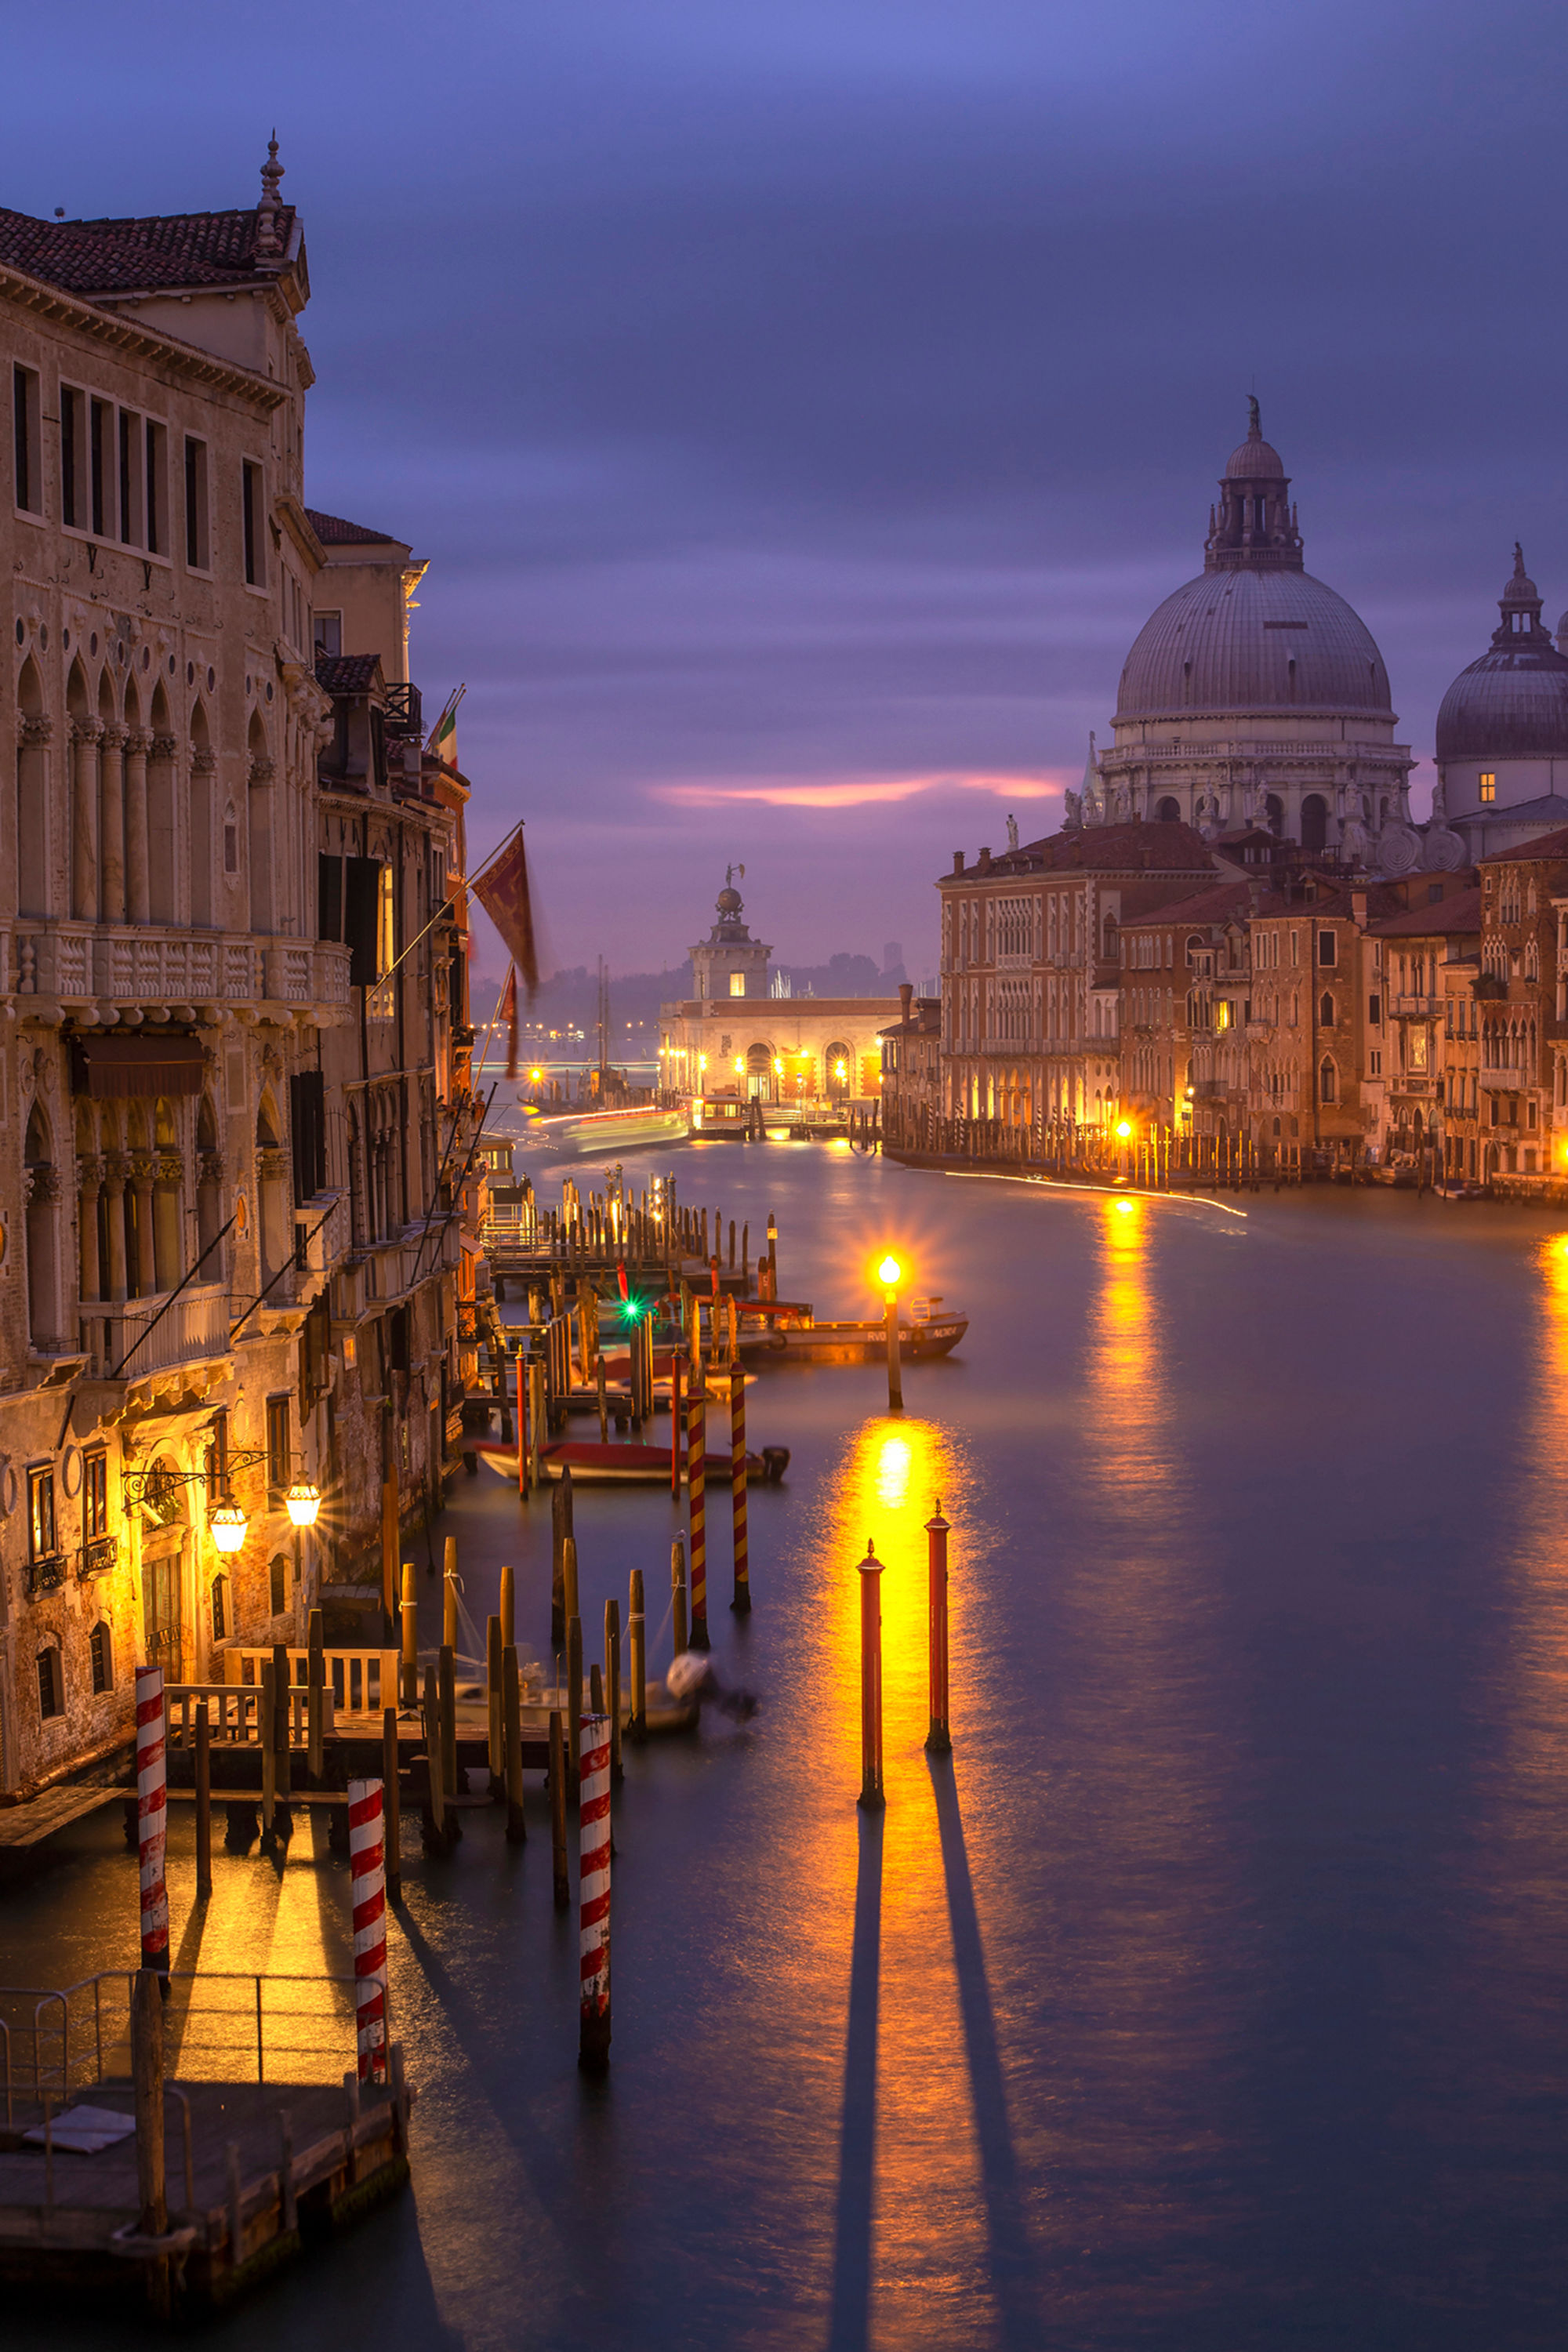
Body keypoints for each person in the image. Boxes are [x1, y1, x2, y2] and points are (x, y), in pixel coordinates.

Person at [666, 1649, 759, 1721]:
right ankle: (746, 1708)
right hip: (692, 1682)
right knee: (721, 1697)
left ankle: (746, 1707)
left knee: (722, 1696)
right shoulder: (703, 1687)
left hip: (693, 1680)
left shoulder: (705, 1683)